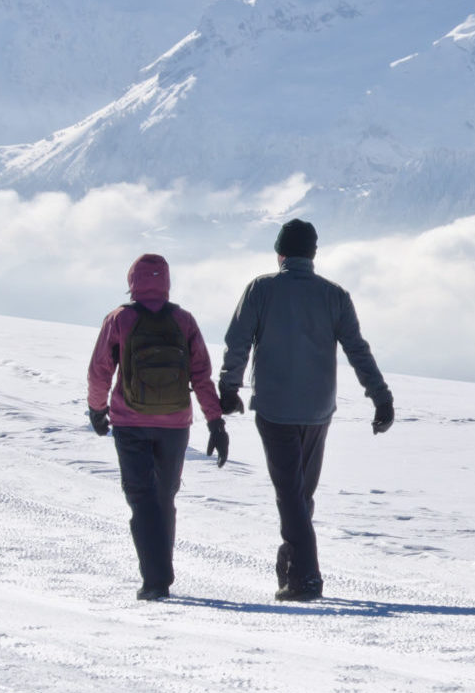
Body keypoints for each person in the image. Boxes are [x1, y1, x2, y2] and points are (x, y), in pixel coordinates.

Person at [217, 218, 394, 602]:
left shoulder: (261, 289)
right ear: (312, 254)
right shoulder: (335, 296)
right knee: (300, 495)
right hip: (317, 410)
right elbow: (357, 350)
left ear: (280, 253)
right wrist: (381, 397)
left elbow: (238, 341)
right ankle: (292, 564)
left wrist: (229, 388)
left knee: (291, 495)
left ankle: (305, 579)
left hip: (275, 408)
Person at [86, 253, 228, 601]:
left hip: (130, 422)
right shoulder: (183, 320)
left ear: (132, 281)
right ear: (166, 282)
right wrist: (215, 422)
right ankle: (159, 574)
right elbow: (201, 375)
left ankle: (155, 580)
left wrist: (97, 410)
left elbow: (100, 370)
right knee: (164, 497)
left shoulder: (120, 319)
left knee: (141, 498)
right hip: (175, 425)